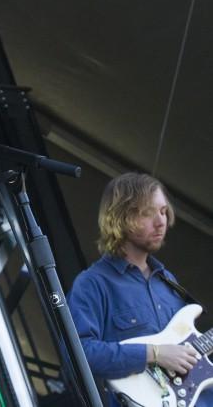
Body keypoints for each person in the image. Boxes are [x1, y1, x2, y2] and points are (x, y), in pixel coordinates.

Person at [68, 172, 213, 406]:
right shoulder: (93, 283)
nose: (161, 221)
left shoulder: (168, 282)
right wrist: (154, 353)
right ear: (119, 216)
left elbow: (188, 355)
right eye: (148, 212)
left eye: (164, 211)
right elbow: (79, 353)